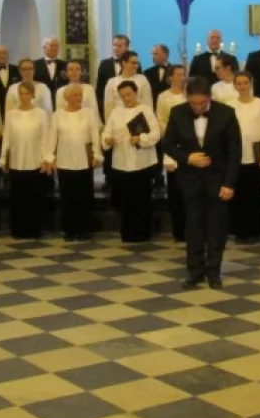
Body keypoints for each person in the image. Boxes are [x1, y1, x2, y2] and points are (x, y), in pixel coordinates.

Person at [161, 77, 240, 288]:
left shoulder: (226, 113)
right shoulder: (177, 112)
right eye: (193, 103)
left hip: (218, 179)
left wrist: (229, 184)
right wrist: (187, 158)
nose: (197, 108)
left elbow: (234, 152)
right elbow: (167, 144)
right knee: (193, 227)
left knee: (216, 228)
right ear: (187, 99)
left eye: (202, 104)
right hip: (190, 180)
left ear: (209, 98)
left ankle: (214, 271)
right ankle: (194, 270)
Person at [103, 81, 160, 243]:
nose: (127, 98)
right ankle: (127, 233)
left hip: (142, 162)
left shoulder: (146, 110)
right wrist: (108, 139)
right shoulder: (115, 112)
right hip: (121, 162)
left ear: (135, 93)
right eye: (123, 96)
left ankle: (143, 233)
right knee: (125, 200)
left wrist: (140, 138)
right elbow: (106, 133)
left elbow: (156, 134)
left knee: (142, 200)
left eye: (129, 94)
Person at [46, 85, 103, 242]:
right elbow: (52, 137)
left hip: (84, 160)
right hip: (65, 161)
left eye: (80, 95)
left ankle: (84, 229)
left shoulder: (89, 113)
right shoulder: (57, 115)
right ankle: (69, 230)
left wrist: (97, 154)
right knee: (67, 197)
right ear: (67, 97)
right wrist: (49, 157)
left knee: (84, 196)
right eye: (75, 95)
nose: (79, 98)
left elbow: (94, 136)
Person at [0, 82, 51, 240]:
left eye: (26, 93)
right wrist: (3, 158)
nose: (24, 97)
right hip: (16, 161)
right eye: (21, 94)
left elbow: (45, 138)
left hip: (34, 161)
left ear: (32, 95)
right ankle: (18, 229)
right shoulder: (11, 114)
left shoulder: (41, 113)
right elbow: (7, 138)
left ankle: (34, 228)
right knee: (17, 197)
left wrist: (45, 158)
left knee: (34, 197)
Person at [229, 71, 260, 242]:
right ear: (235, 86)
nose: (242, 86)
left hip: (254, 154)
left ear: (251, 83)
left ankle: (254, 230)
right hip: (236, 155)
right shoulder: (230, 105)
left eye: (245, 83)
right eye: (239, 83)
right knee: (237, 195)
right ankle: (239, 231)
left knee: (253, 194)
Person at [156, 65, 189, 242]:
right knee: (175, 191)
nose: (181, 77)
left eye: (184, 74)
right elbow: (160, 119)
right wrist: (170, 135)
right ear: (170, 77)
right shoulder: (163, 97)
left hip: (189, 147)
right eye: (178, 75)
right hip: (172, 146)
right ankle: (178, 230)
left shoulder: (190, 94)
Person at [95, 34, 130, 124]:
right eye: (114, 45)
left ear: (126, 48)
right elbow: (99, 90)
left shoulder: (133, 64)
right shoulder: (104, 64)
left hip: (128, 107)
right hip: (111, 108)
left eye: (119, 46)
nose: (116, 48)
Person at [33, 37, 67, 106]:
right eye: (51, 45)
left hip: (61, 102)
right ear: (44, 48)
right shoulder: (34, 65)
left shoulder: (65, 65)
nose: (54, 48)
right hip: (41, 102)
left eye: (56, 46)